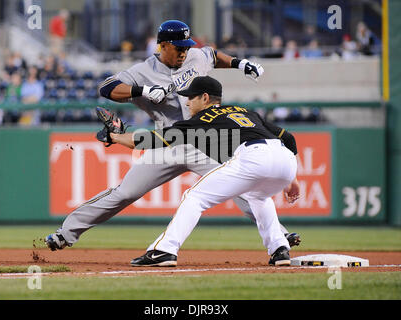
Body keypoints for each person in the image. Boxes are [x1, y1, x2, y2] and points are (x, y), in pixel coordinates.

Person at [45, 20, 301, 252]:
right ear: (163, 45)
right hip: (167, 142)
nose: (184, 52)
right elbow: (106, 87)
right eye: (178, 47)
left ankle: (280, 237)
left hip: (204, 142)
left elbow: (211, 54)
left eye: (186, 47)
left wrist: (239, 63)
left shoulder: (195, 56)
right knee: (124, 193)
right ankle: (65, 233)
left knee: (243, 188)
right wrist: (141, 89)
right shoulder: (143, 70)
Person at [101, 76, 300, 266]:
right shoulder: (246, 111)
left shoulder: (204, 118)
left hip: (254, 156)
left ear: (205, 97)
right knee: (258, 197)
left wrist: (116, 137)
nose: (187, 103)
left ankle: (164, 250)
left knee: (194, 197)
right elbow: (288, 138)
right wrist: (293, 179)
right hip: (285, 159)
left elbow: (154, 139)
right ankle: (279, 249)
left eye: (190, 97)